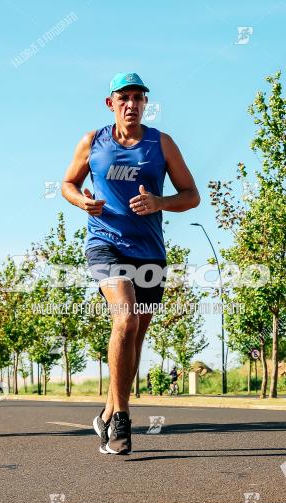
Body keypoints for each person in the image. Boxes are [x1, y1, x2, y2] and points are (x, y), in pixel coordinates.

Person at [62, 72, 200, 454]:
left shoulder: (162, 143)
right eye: (124, 97)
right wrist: (81, 201)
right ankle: (122, 419)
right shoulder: (93, 141)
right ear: (111, 103)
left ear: (145, 104)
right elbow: (67, 184)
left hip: (150, 251)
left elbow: (191, 195)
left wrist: (160, 203)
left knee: (136, 337)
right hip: (105, 244)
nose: (132, 104)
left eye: (139, 98)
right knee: (126, 318)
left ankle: (106, 414)